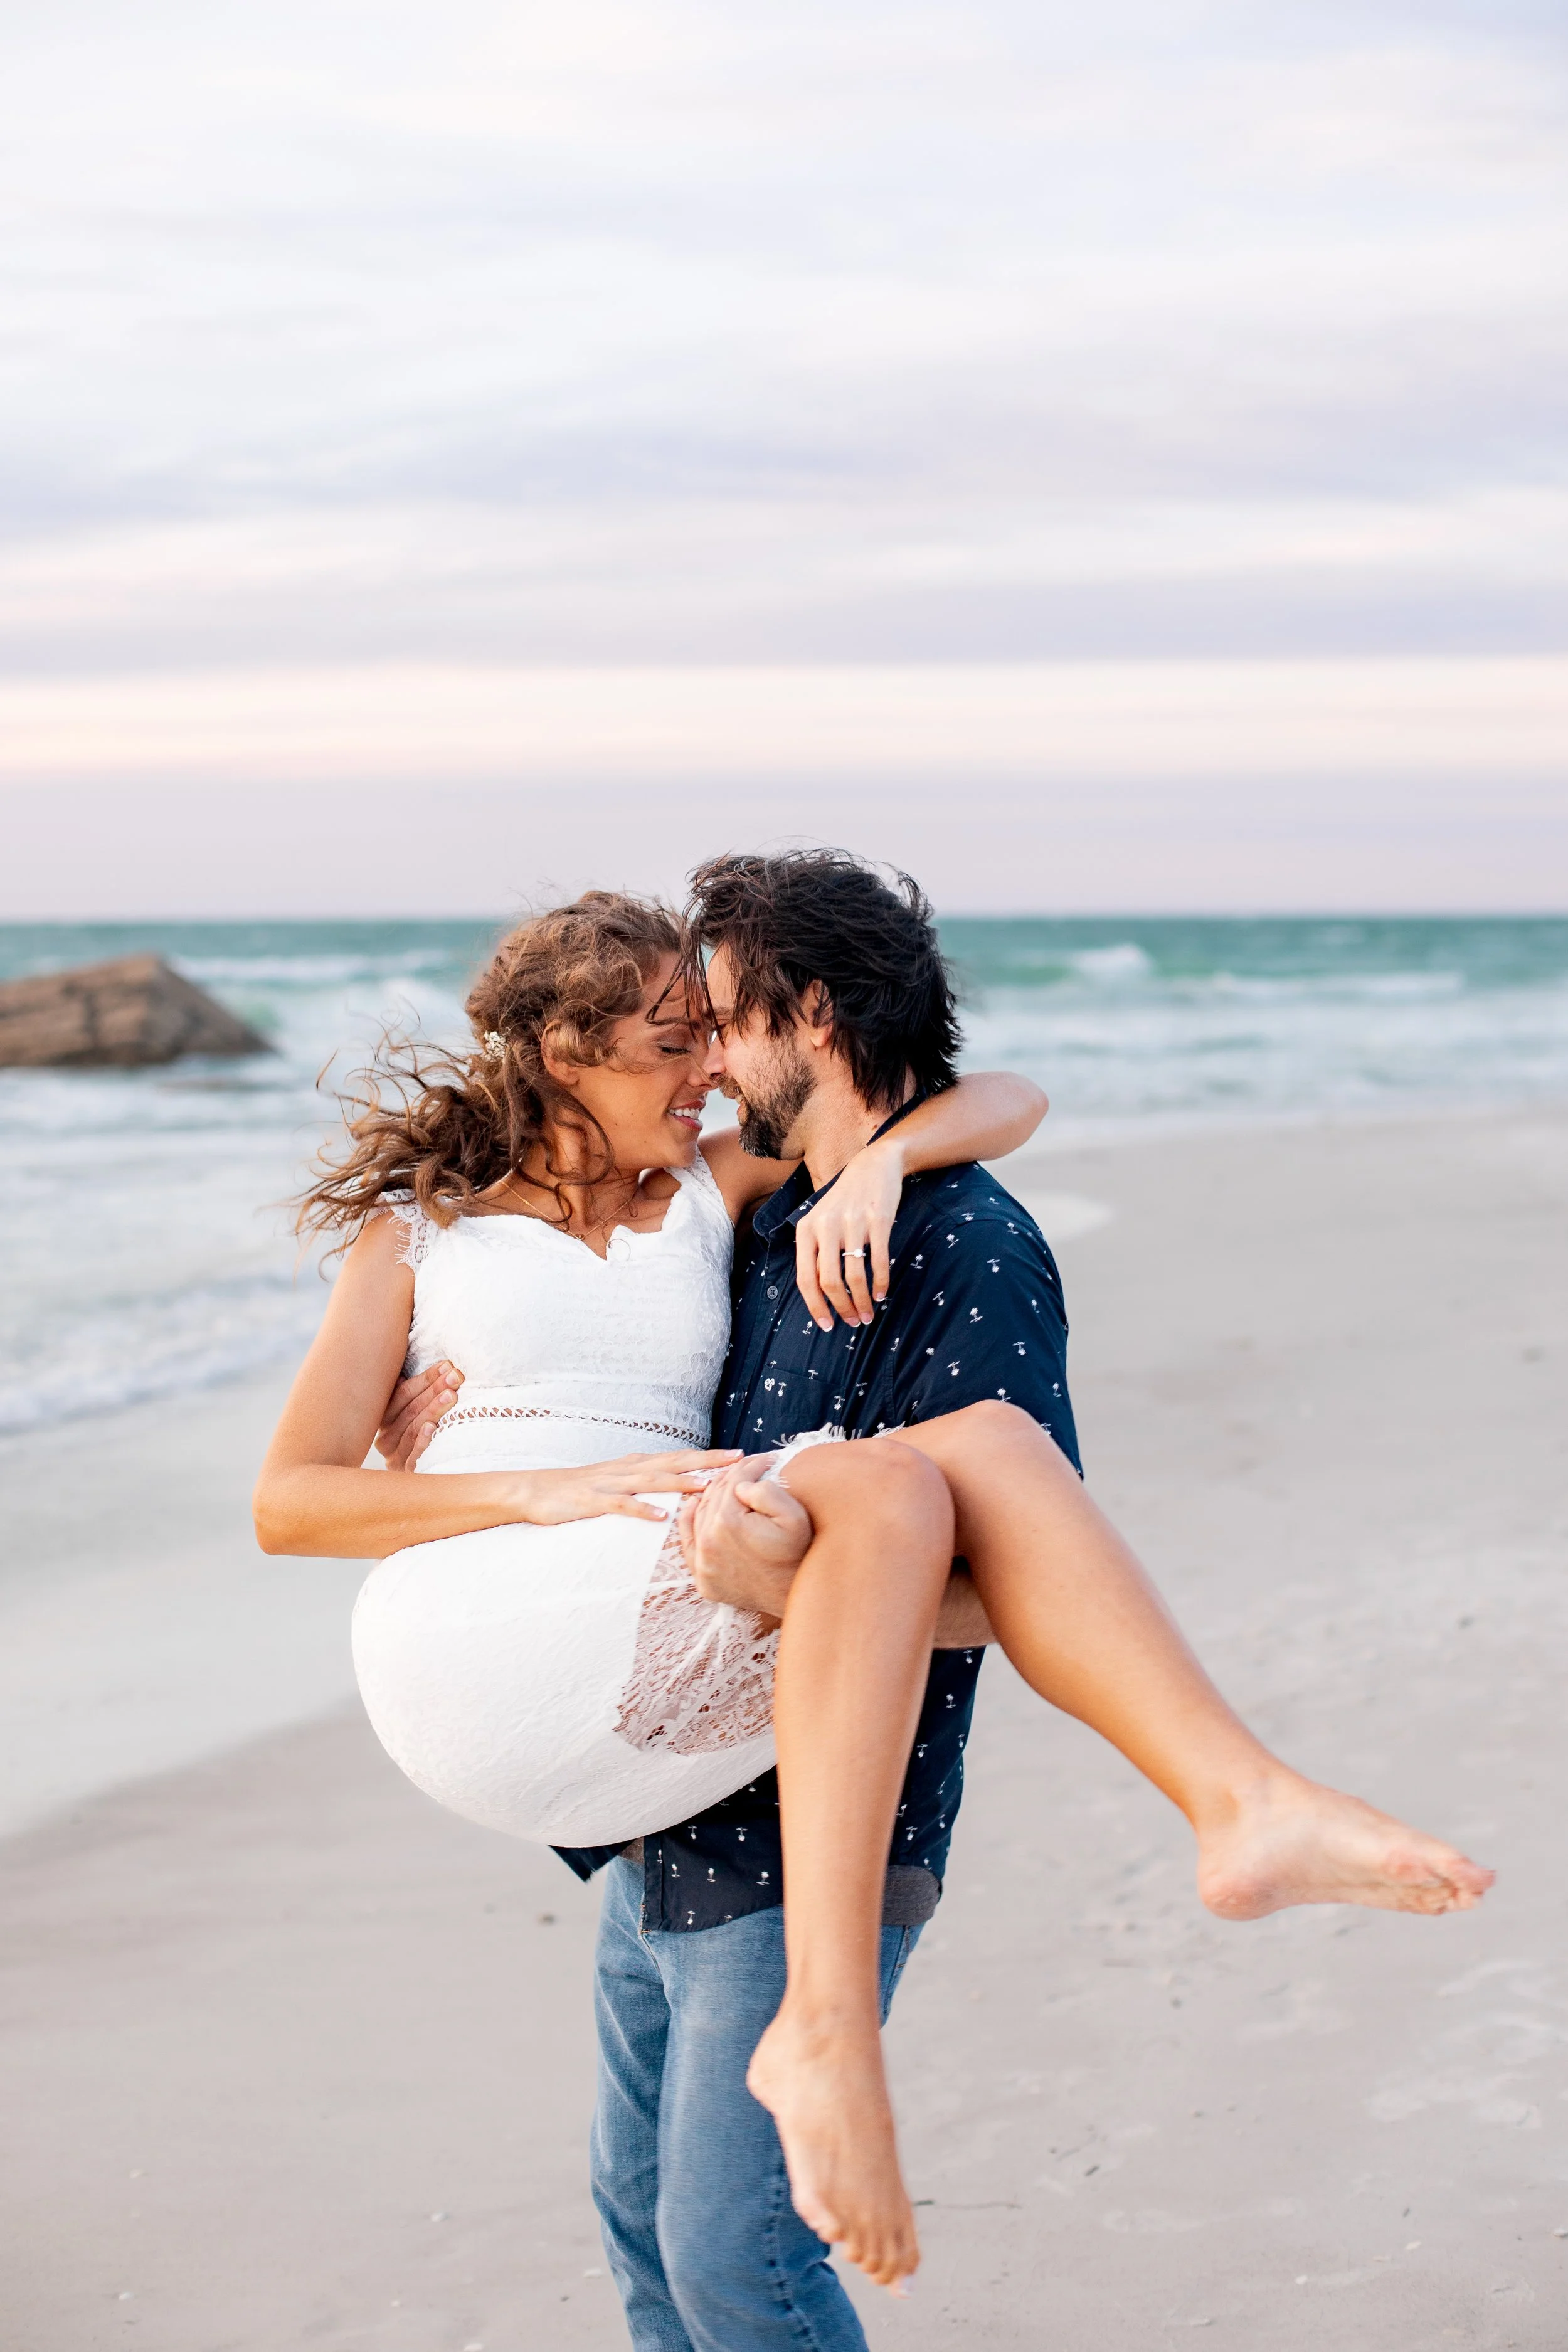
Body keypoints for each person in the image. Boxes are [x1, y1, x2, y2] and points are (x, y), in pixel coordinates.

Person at [348, 855, 1490, 2348]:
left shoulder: (957, 1247)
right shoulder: (759, 1212)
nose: (700, 1063)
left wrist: (779, 1577)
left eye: (718, 1024)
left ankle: (1240, 1799)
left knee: (732, 2257)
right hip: (664, 1800)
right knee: (643, 2233)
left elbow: (1019, 1578)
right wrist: (482, 1430)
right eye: (672, 1035)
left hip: (815, 1826)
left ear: (806, 1015)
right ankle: (1242, 1797)